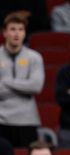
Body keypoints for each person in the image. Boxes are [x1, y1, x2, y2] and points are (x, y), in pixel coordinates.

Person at [0, 14, 44, 147]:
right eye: (13, 29)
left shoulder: (34, 57)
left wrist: (6, 81)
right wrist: (23, 87)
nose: (17, 33)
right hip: (1, 120)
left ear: (25, 33)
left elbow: (36, 86)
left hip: (27, 120)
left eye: (21, 29)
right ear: (5, 33)